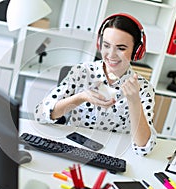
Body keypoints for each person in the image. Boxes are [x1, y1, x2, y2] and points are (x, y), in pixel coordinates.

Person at [34, 13, 156, 156]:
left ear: (136, 51)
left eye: (121, 48)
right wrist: (80, 97)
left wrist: (134, 101)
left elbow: (143, 148)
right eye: (106, 45)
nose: (111, 54)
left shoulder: (144, 88)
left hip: (114, 155)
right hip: (73, 150)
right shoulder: (82, 72)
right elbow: (40, 115)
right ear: (99, 44)